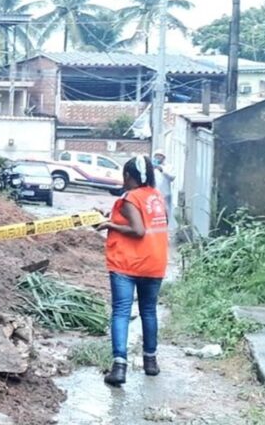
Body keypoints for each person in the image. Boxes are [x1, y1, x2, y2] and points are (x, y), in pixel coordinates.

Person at [95, 155, 169, 387]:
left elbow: (137, 230)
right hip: (154, 262)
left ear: (128, 176)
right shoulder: (155, 197)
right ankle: (150, 362)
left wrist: (108, 225)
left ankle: (119, 366)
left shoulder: (130, 198)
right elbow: (152, 221)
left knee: (121, 312)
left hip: (127, 263)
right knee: (148, 311)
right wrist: (111, 217)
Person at [152, 149, 176, 227]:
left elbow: (172, 177)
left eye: (160, 156)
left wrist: (162, 170)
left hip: (165, 193)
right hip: (154, 193)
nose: (158, 158)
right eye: (156, 156)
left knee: (165, 210)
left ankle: (165, 225)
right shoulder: (152, 167)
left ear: (163, 157)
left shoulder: (169, 167)